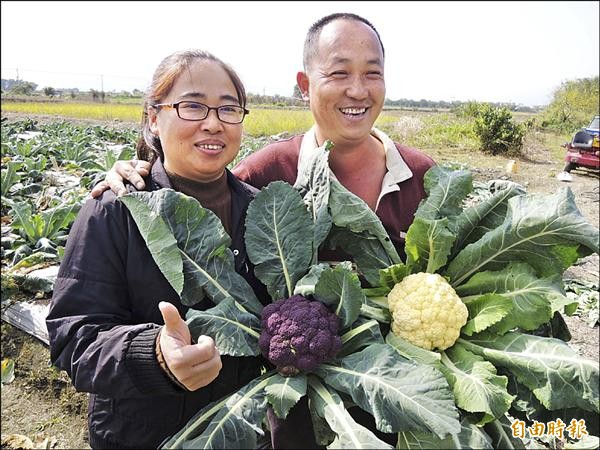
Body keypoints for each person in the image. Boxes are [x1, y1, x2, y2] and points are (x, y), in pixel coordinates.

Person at [90, 12, 437, 447]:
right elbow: (191, 203)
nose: (357, 89)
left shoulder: (424, 178)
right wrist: (135, 173)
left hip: (406, 404)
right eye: (339, 72)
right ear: (305, 84)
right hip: (293, 418)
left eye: (372, 73)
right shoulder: (264, 175)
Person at [46, 49, 270, 449]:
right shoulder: (114, 210)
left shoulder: (263, 214)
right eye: (193, 107)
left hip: (240, 431)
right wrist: (155, 356)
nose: (213, 124)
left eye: (228, 109)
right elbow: (73, 337)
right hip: (141, 436)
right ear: (154, 117)